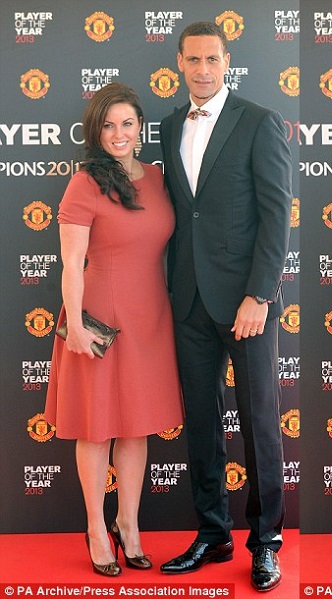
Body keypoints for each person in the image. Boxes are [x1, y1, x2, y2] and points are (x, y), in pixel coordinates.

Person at [158, 21, 292, 592]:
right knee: (202, 422)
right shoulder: (169, 126)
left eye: (212, 58)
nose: (203, 69)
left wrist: (259, 294)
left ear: (227, 60)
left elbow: (276, 214)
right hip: (189, 300)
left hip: (247, 303)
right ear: (179, 63)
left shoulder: (259, 121)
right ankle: (212, 532)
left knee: (260, 423)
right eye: (193, 59)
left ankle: (266, 543)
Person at [44, 82, 184, 576]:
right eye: (108, 125)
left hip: (151, 317)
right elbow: (71, 262)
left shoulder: (159, 178)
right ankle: (96, 529)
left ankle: (128, 524)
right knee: (96, 427)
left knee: (136, 426)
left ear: (141, 127)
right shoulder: (85, 183)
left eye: (127, 123)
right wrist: (76, 325)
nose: (119, 133)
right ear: (95, 131)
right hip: (99, 317)